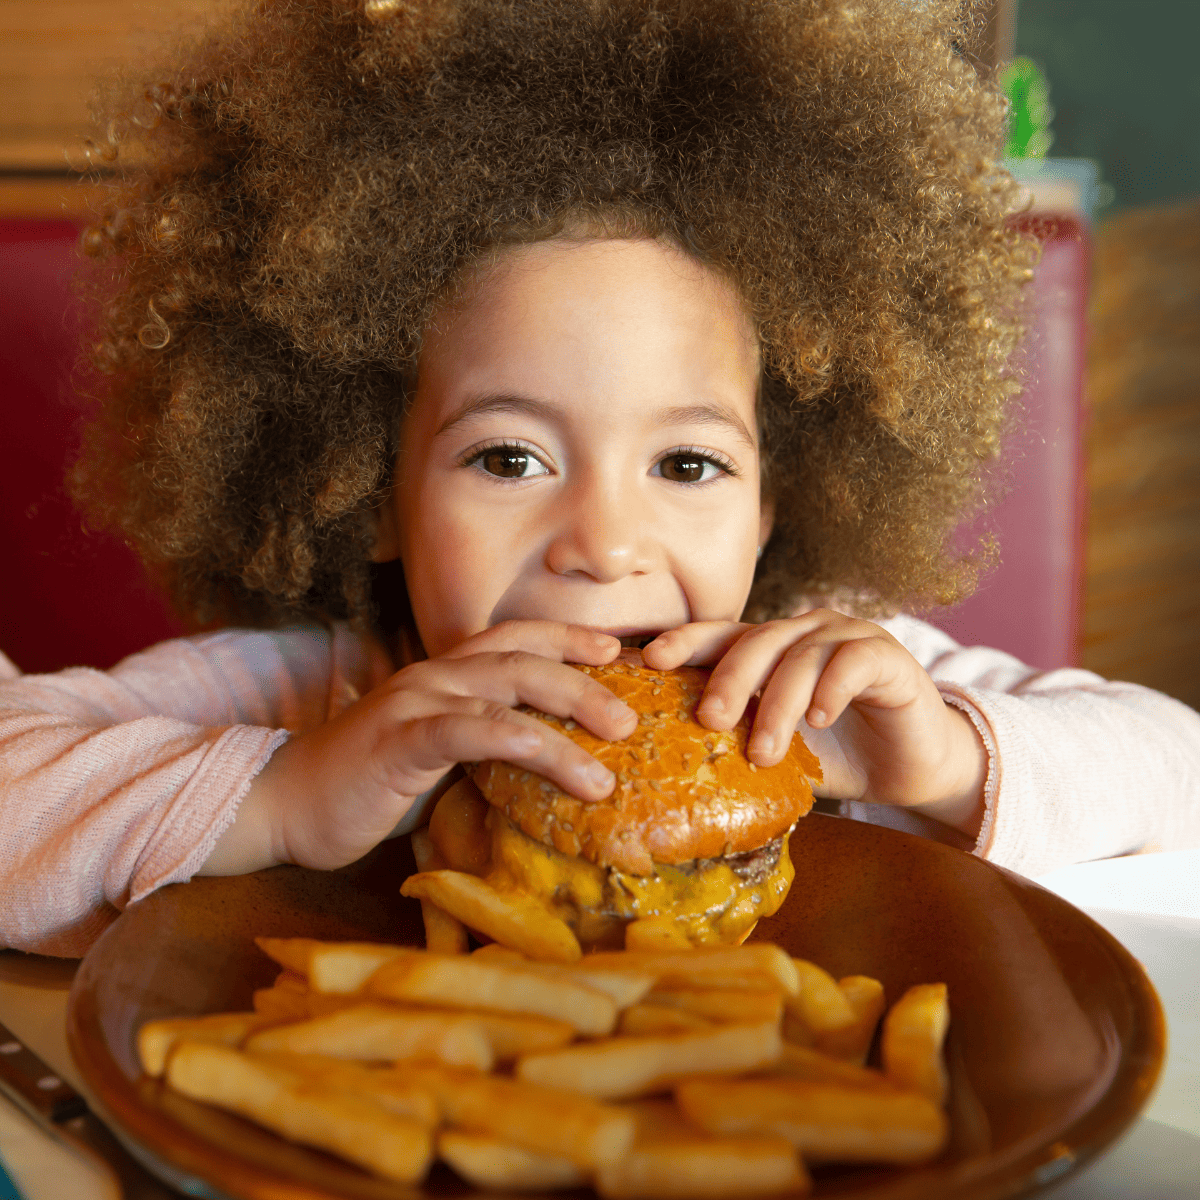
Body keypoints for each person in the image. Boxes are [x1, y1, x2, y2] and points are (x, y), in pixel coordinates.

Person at [2, 0, 1198, 957]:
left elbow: (1178, 772)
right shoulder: (303, 701)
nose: (605, 542)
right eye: (510, 457)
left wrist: (941, 762)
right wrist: (284, 796)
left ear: (773, 504)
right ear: (370, 494)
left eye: (688, 462)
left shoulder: (826, 704)